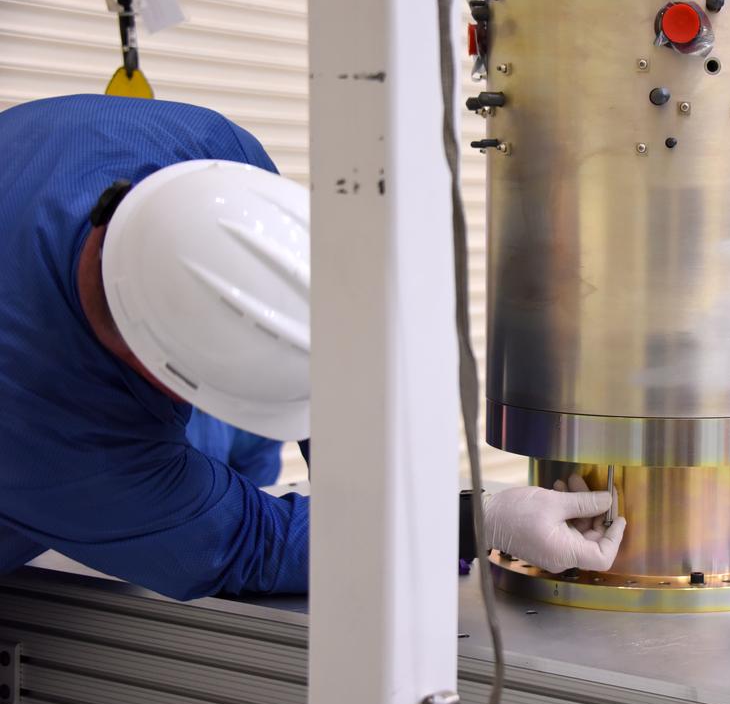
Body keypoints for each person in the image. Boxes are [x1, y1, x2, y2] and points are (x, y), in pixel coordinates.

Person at [0, 94, 625, 601]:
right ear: (167, 384)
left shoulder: (208, 156)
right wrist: (470, 524)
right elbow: (246, 545)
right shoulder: (53, 438)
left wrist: (393, 510)